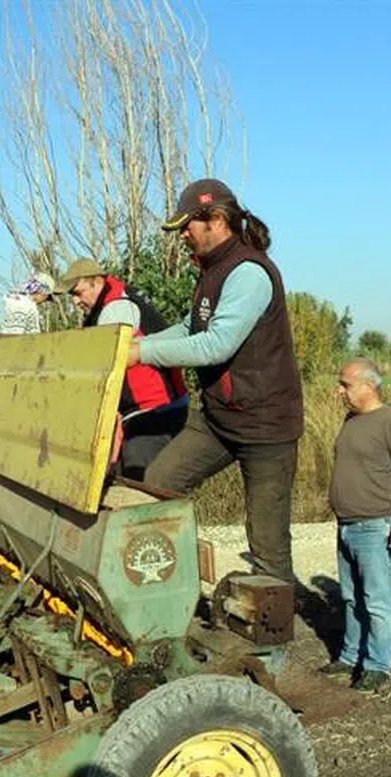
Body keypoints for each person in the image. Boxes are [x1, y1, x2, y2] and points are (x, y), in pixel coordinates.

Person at [129, 178, 303, 583]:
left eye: (188, 225)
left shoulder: (248, 273)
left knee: (267, 546)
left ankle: (269, 646)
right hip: (218, 418)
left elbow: (215, 346)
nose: (184, 235)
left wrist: (141, 355)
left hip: (265, 427)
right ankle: (172, 586)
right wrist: (135, 344)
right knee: (158, 485)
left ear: (217, 219)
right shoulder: (212, 271)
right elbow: (191, 327)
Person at [321, 358, 391, 694]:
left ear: (368, 384)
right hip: (346, 526)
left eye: (345, 384)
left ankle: (378, 666)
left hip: (375, 527)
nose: (340, 391)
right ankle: (350, 657)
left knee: (377, 600)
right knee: (350, 598)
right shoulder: (351, 421)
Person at [60, 257, 189, 480]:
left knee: (141, 484)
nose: (74, 302)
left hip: (153, 411)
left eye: (77, 293)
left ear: (96, 282)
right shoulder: (108, 302)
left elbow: (103, 367)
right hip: (145, 410)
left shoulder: (116, 309)